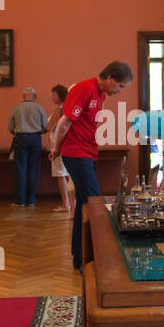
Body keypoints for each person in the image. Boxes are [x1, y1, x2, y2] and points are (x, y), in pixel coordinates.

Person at [49, 61, 133, 270]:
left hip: (88, 152)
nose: (120, 91)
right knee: (95, 202)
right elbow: (64, 123)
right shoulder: (84, 89)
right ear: (111, 79)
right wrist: (56, 148)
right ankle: (97, 254)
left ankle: (81, 257)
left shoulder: (102, 93)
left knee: (84, 204)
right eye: (120, 86)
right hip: (76, 153)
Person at [8, 86, 49, 207]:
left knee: (20, 170)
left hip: (21, 139)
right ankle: (31, 200)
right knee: (34, 170)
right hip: (36, 139)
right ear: (35, 97)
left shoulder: (16, 108)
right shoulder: (40, 108)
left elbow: (10, 128)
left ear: (23, 96)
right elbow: (45, 127)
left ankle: (19, 201)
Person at [46, 84, 73, 213]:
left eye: (54, 94)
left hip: (58, 145)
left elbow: (48, 127)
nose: (52, 97)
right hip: (66, 144)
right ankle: (70, 202)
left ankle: (65, 204)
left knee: (60, 174)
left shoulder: (60, 109)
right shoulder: (69, 108)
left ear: (60, 96)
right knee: (65, 174)